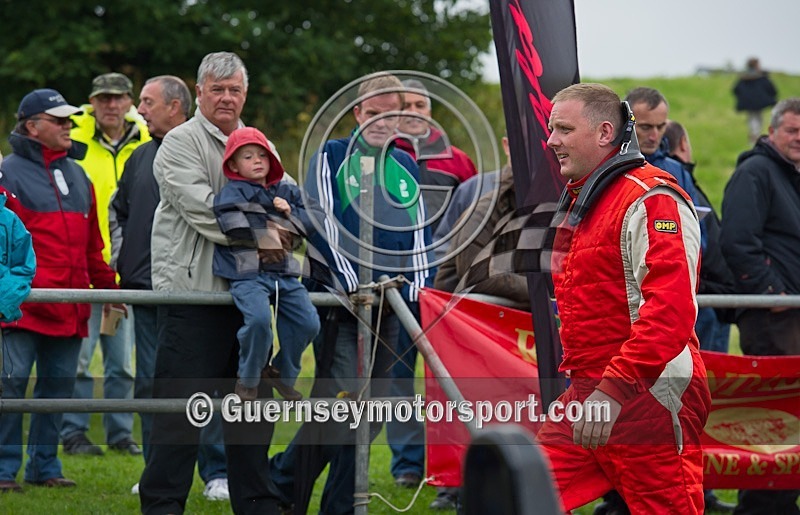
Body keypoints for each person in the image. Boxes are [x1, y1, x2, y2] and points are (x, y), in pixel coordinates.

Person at [537, 83, 710, 513]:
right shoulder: (585, 197)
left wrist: (612, 391)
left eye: (562, 129)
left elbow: (669, 314)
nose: (551, 140)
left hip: (647, 394)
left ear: (603, 133)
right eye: (550, 129)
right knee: (518, 493)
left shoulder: (650, 198)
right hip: (588, 392)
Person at [270, 72, 432, 515]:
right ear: (357, 113)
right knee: (341, 408)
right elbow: (321, 224)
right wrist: (354, 287)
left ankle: (323, 500)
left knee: (372, 414)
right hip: (342, 306)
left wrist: (418, 298)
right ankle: (284, 486)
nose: (380, 123)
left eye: (389, 115)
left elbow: (420, 237)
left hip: (393, 309)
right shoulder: (332, 155)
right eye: (372, 114)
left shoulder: (407, 166)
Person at [138, 51, 282, 514]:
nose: (226, 97)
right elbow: (207, 213)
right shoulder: (179, 143)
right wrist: (268, 228)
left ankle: (256, 505)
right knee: (181, 416)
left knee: (253, 413)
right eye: (216, 89)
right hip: (194, 298)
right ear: (198, 92)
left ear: (245, 93)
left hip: (250, 301)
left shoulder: (260, 143)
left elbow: (291, 209)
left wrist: (276, 223)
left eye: (234, 89)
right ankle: (163, 506)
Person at [108, 75, 230, 501]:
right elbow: (117, 212)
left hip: (193, 289)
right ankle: (155, 467)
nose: (138, 110)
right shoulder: (138, 157)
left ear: (176, 106)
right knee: (153, 384)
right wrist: (122, 263)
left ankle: (216, 471)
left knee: (205, 383)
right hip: (145, 289)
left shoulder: (205, 150)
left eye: (147, 101)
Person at [0, 88, 122, 491]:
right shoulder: (7, 174)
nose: (69, 126)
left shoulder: (78, 175)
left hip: (71, 307)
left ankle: (44, 468)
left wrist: (108, 289)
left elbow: (93, 246)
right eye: (59, 120)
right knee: (12, 388)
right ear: (32, 127)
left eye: (69, 120)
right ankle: (3, 471)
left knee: (57, 392)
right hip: (22, 308)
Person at [387, 78, 478, 493]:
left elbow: (474, 218)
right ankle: (407, 464)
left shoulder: (457, 160)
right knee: (397, 376)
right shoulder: (380, 156)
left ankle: (454, 463)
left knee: (448, 378)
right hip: (393, 281)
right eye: (405, 106)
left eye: (421, 105)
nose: (413, 112)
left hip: (443, 284)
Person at [61, 72, 150, 457]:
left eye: (118, 98)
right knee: (81, 359)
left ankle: (120, 433)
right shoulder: (73, 138)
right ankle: (74, 432)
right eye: (103, 99)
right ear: (91, 103)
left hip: (126, 270)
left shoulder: (148, 140)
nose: (111, 105)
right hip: (84, 265)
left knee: (121, 362)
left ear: (130, 101)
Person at [720, 98, 800, 515]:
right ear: (771, 132)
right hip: (773, 319)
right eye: (792, 130)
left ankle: (783, 502)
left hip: (792, 316)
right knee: (777, 420)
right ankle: (764, 506)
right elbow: (736, 240)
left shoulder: (790, 176)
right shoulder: (755, 172)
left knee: (795, 418)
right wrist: (772, 295)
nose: (799, 138)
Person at [213, 126, 320, 402]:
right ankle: (248, 378)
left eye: (263, 154)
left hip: (284, 273)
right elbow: (233, 227)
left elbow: (313, 218)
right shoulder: (232, 193)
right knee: (259, 321)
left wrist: (290, 213)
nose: (257, 160)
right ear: (233, 165)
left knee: (308, 323)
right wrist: (275, 231)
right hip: (246, 273)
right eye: (247, 157)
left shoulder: (286, 189)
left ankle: (281, 374)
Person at [664, 121, 737, 514]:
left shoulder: (680, 178)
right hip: (687, 321)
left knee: (692, 416)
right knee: (681, 420)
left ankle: (699, 495)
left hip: (701, 312)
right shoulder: (670, 177)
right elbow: (696, 244)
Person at [733, 58, 778, 144]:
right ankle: (755, 136)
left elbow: (736, 90)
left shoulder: (744, 78)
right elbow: (772, 89)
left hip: (748, 103)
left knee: (752, 118)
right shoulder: (761, 77)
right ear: (756, 65)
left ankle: (754, 136)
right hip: (759, 102)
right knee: (757, 118)